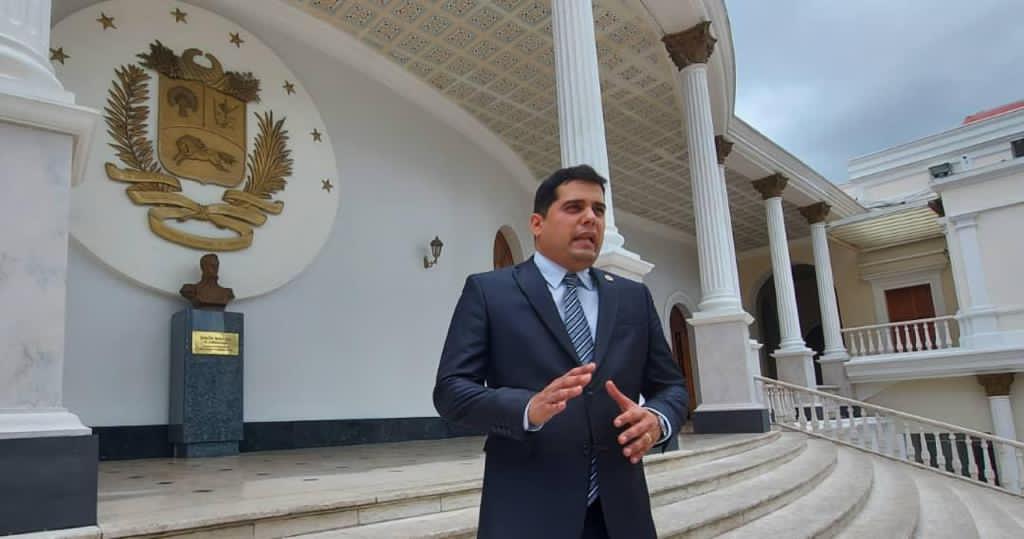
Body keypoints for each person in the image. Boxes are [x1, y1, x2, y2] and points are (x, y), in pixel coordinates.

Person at [433, 164, 688, 539]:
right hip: (526, 514)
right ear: (537, 223)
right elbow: (451, 390)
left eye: (598, 210)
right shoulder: (489, 292)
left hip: (622, 516)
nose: (590, 218)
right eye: (574, 207)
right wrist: (527, 407)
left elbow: (672, 387)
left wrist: (657, 419)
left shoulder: (633, 297)